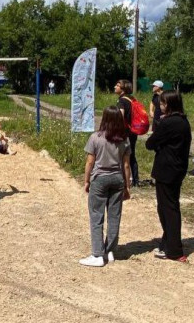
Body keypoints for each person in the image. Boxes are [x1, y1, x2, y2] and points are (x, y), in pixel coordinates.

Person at [79, 106, 132, 267]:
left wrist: (86, 181)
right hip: (117, 179)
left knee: (97, 216)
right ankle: (110, 251)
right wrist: (127, 186)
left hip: (100, 179)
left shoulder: (95, 137)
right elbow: (126, 165)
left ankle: (97, 254)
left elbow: (90, 162)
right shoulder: (124, 139)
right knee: (114, 216)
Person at [145, 90, 191, 262]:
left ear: (169, 105)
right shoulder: (183, 121)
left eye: (163, 103)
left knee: (168, 209)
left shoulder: (168, 122)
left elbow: (150, 143)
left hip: (167, 169)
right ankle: (168, 241)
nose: (160, 105)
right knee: (169, 206)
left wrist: (159, 129)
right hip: (178, 168)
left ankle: (174, 250)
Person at [114, 79, 139, 186]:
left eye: (117, 85)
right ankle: (135, 180)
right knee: (132, 155)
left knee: (122, 155)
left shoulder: (122, 101)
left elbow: (120, 117)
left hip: (125, 132)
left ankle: (125, 179)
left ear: (123, 89)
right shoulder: (132, 99)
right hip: (133, 131)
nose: (115, 87)